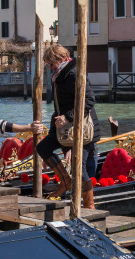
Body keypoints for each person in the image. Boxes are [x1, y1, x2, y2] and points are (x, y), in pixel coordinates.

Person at [35, 44, 101, 208]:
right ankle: (65, 183)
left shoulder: (74, 74)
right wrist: (53, 130)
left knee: (80, 167)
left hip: (84, 129)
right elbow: (58, 108)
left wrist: (67, 117)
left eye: (51, 64)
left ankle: (89, 205)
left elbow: (90, 100)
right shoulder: (59, 76)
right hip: (66, 129)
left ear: (61, 59)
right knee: (43, 148)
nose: (50, 68)